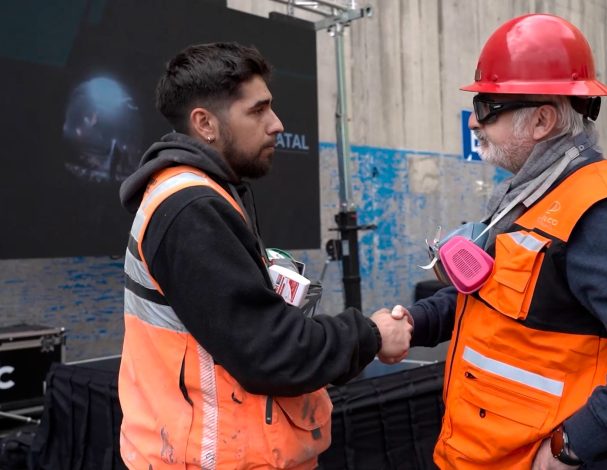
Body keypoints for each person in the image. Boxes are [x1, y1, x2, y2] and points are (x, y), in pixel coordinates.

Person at [393, 14, 607, 469]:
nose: (476, 124)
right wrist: (416, 322)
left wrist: (575, 443)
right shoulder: (533, 197)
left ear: (540, 120)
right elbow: (494, 299)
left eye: (486, 107)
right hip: (491, 450)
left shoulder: (597, 215)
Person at [117, 42, 412, 469]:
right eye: (258, 111)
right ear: (205, 124)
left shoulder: (210, 193)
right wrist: (372, 334)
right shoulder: (191, 208)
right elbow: (270, 352)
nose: (277, 124)